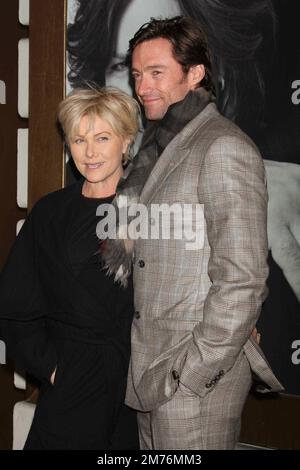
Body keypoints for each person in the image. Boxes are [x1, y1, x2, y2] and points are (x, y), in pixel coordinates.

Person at [99, 16, 283, 450]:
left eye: (157, 73)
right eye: (138, 75)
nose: (142, 86)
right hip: (149, 371)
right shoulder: (160, 147)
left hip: (189, 380)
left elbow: (243, 278)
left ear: (196, 73)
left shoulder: (223, 147)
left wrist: (194, 374)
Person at [0, 87, 140, 449]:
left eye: (102, 137)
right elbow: (15, 305)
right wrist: (52, 368)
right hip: (70, 386)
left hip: (133, 389)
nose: (89, 152)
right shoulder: (49, 213)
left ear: (126, 141)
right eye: (79, 139)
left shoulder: (149, 210)